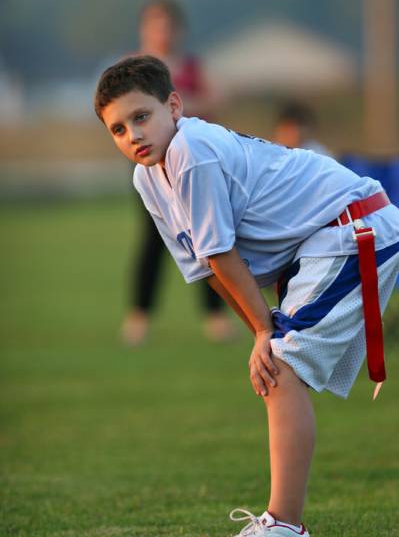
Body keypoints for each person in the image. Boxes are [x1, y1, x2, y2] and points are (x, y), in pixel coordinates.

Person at [94, 55, 399, 536]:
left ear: (174, 106)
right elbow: (206, 268)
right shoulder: (146, 177)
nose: (132, 134)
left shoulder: (191, 152)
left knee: (278, 368)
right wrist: (260, 332)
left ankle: (282, 526)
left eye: (141, 116)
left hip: (353, 226)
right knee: (275, 364)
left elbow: (222, 253)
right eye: (117, 129)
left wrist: (263, 331)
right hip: (327, 237)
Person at [122, 0, 234, 344]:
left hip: (193, 168)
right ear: (144, 28)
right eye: (155, 24)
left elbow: (216, 99)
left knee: (208, 239)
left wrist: (174, 105)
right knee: (153, 242)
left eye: (168, 25)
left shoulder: (189, 66)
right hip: (151, 167)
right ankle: (139, 318)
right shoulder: (131, 68)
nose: (162, 31)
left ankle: (216, 317)